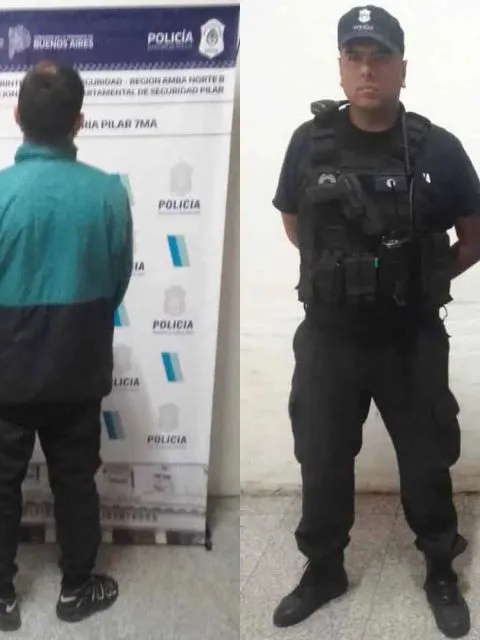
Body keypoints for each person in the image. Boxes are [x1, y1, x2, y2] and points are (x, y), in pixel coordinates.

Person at [272, 5, 480, 639]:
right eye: (355, 57)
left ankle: (440, 566)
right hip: (330, 337)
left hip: (410, 338)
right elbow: (295, 226)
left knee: (426, 459)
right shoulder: (308, 142)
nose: (367, 70)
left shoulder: (438, 148)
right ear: (340, 67)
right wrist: (346, 277)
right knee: (321, 457)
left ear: (402, 68)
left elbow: (474, 236)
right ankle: (324, 570)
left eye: (380, 57)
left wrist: (420, 278)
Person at [0, 61, 133, 631]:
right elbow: (118, 280)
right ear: (79, 121)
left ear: (17, 116)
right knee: (76, 478)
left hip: (5, 366)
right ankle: (77, 589)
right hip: (78, 361)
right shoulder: (108, 193)